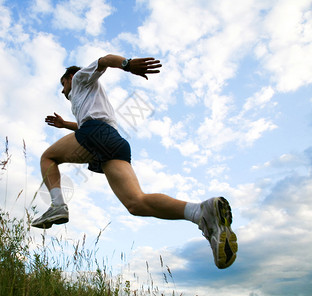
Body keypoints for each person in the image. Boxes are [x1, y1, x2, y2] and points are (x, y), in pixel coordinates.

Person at [32, 54, 238, 269]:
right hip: (113, 141)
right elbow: (88, 121)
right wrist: (66, 124)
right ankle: (200, 212)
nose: (63, 90)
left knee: (48, 157)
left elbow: (103, 61)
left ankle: (57, 205)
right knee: (136, 203)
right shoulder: (85, 97)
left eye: (62, 84)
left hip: (97, 133)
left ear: (70, 77)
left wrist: (127, 64)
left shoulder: (80, 78)